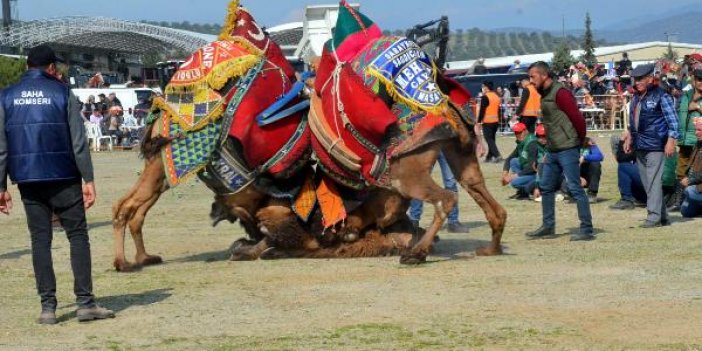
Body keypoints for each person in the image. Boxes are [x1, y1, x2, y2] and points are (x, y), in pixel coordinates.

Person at [0, 45, 115, 324]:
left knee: (40, 240)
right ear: (51, 68)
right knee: (77, 236)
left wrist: (1, 186)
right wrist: (88, 178)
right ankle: (85, 303)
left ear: (28, 66)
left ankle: (48, 308)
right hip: (64, 177)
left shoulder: (6, 97)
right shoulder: (63, 93)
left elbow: (1, 147)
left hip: (27, 179)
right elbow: (78, 143)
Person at [524, 61, 594, 241]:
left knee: (575, 188)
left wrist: (579, 140)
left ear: (544, 75)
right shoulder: (545, 93)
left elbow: (577, 118)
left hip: (567, 147)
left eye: (532, 76)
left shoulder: (561, 93)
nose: (530, 81)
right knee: (546, 186)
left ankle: (586, 229)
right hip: (553, 148)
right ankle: (548, 226)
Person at [623, 63, 680, 228]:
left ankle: (653, 217)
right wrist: (629, 137)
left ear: (650, 78)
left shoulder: (662, 96)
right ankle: (662, 216)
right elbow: (634, 122)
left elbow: (674, 122)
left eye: (640, 79)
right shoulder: (635, 97)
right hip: (640, 145)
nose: (637, 82)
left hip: (656, 145)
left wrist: (671, 141)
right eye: (635, 79)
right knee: (648, 183)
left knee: (653, 182)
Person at [408, 153, 471, 233]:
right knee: (420, 182)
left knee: (450, 183)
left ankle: (453, 222)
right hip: (429, 145)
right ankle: (413, 220)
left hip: (445, 146)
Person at [672, 69, 702, 211]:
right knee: (680, 171)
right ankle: (679, 202)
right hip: (683, 140)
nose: (700, 82)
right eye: (698, 79)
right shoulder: (686, 96)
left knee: (696, 172)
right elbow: (678, 114)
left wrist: (698, 107)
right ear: (694, 80)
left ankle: (695, 199)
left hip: (698, 142)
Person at [501, 122, 538, 199]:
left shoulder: (532, 143)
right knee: (514, 161)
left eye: (519, 132)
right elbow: (509, 159)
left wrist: (513, 176)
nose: (517, 135)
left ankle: (530, 188)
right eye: (516, 133)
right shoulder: (522, 143)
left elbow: (532, 167)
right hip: (527, 171)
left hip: (536, 173)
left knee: (515, 182)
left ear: (525, 131)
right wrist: (505, 174)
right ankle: (523, 192)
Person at [610, 135, 647, 210]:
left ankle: (627, 199)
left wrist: (622, 141)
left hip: (654, 184)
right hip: (654, 185)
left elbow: (621, 159)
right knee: (629, 167)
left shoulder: (641, 143)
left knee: (624, 167)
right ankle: (638, 198)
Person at [680, 122, 702, 217]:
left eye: (699, 130)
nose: (696, 133)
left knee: (689, 191)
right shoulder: (698, 145)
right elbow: (691, 167)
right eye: (696, 130)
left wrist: (690, 180)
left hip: (696, 185)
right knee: (685, 211)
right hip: (696, 185)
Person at [477, 80, 502, 163]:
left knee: (489, 139)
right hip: (495, 121)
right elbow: (498, 110)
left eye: (483, 86)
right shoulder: (496, 96)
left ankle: (497, 155)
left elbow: (482, 110)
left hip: (487, 122)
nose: (482, 88)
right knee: (492, 139)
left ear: (486, 87)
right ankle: (489, 157)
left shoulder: (485, 97)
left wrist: (479, 121)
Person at [578, 137, 603, 203]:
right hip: (575, 173)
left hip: (588, 172)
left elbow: (600, 156)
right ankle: (564, 190)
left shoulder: (590, 145)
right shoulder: (571, 146)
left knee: (596, 164)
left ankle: (592, 193)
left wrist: (584, 157)